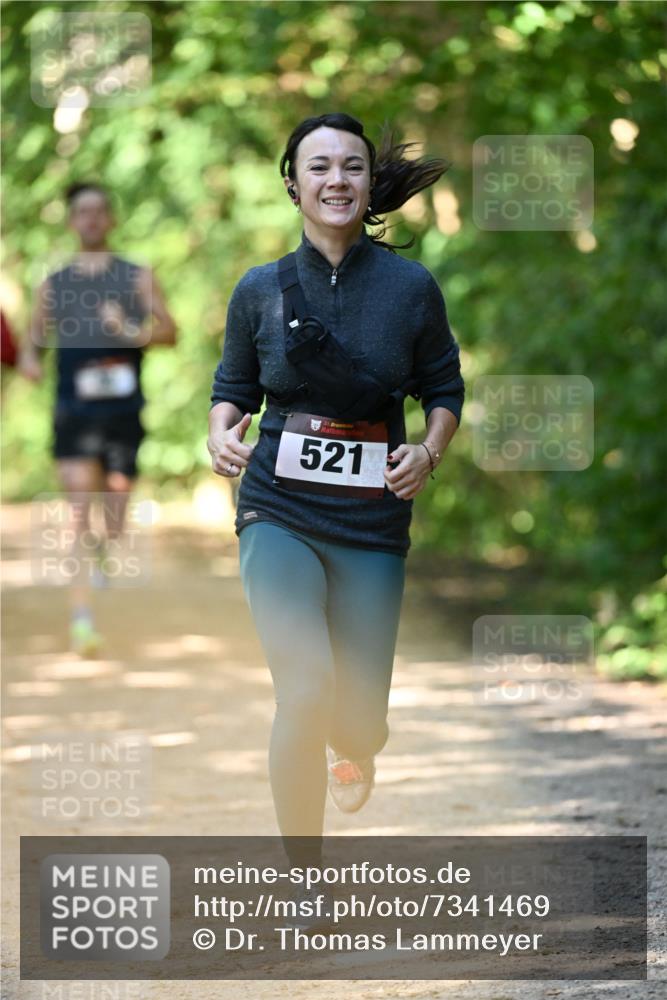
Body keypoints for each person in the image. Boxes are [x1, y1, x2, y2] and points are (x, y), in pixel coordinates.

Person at [207, 113, 464, 927]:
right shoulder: (258, 288)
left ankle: (357, 749)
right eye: (318, 167)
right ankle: (304, 878)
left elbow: (443, 391)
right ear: (293, 183)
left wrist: (427, 451)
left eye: (351, 166)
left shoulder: (410, 288)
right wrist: (219, 431)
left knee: (357, 720)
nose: (337, 180)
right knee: (303, 688)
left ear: (366, 184)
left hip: (371, 519)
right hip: (278, 508)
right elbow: (233, 385)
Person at [19, 182, 177, 655]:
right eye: (81, 212)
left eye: (98, 212)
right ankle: (82, 618)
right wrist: (28, 361)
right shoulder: (55, 281)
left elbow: (170, 332)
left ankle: (108, 544)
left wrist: (128, 330)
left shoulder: (135, 276)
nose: (90, 219)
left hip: (123, 411)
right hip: (74, 409)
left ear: (111, 220)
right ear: (71, 221)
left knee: (116, 508)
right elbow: (33, 338)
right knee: (76, 512)